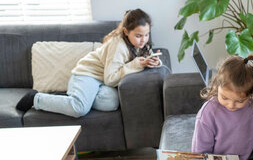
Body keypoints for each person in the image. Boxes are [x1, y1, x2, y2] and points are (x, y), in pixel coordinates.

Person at [16, 9, 161, 117]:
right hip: (87, 74)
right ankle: (36, 99)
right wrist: (136, 65)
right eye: (139, 35)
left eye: (146, 34)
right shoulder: (118, 45)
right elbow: (111, 79)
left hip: (102, 80)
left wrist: (154, 61)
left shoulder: (140, 44)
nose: (143, 39)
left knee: (110, 103)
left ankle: (72, 97)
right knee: (79, 109)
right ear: (126, 31)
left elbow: (143, 57)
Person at [192, 54, 253, 160]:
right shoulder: (208, 113)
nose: (231, 105)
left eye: (240, 101)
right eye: (224, 97)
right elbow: (200, 152)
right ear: (217, 85)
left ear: (251, 94)